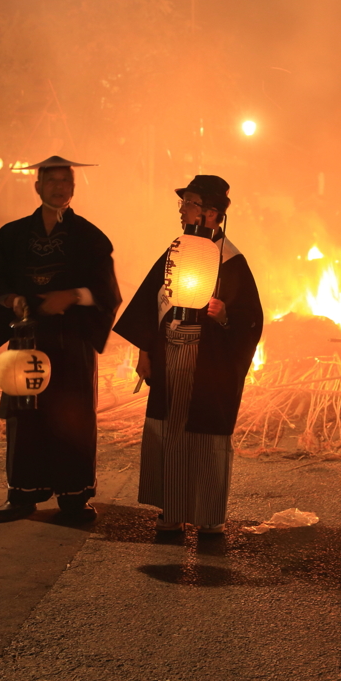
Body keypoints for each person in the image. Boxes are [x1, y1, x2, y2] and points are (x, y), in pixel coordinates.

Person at [113, 175, 263, 535]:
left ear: (212, 212)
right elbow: (152, 302)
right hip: (169, 354)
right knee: (169, 430)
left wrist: (225, 316)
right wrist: (146, 349)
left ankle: (208, 514)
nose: (182, 209)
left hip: (209, 360)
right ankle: (171, 508)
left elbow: (251, 320)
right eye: (183, 202)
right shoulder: (176, 252)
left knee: (205, 436)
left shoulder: (231, 261)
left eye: (190, 202)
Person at [0, 156, 121, 524]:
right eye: (51, 181)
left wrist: (73, 296)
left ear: (73, 187)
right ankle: (22, 495)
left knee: (73, 417)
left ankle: (74, 498)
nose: (59, 187)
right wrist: (11, 300)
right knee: (25, 418)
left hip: (71, 342)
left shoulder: (90, 237)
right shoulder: (11, 236)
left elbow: (107, 293)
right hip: (28, 340)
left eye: (65, 182)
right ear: (37, 186)